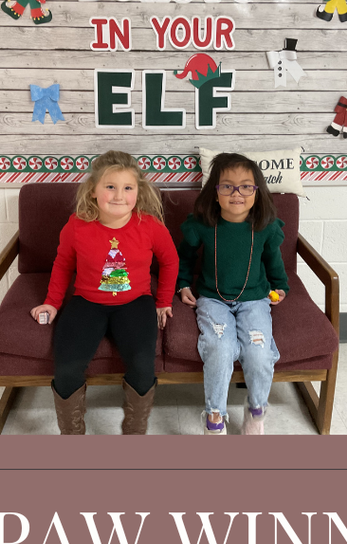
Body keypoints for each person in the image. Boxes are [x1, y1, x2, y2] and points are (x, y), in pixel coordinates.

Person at [31, 150, 179, 435]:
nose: (119, 195)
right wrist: (51, 302)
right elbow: (63, 264)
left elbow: (170, 261)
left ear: (139, 191)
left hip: (136, 302)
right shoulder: (77, 225)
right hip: (86, 303)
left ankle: (134, 432)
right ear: (94, 191)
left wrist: (163, 301)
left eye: (128, 188)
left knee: (141, 363)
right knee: (67, 365)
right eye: (110, 186)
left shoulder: (149, 225)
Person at [176, 153, 287, 435]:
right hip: (213, 299)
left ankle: (256, 409)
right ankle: (215, 418)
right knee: (220, 348)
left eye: (246, 186)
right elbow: (185, 258)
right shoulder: (201, 225)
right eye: (227, 186)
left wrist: (281, 285)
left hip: (255, 299)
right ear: (214, 193)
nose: (236, 193)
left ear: (257, 192)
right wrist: (183, 283)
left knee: (259, 353)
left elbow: (273, 261)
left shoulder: (265, 226)